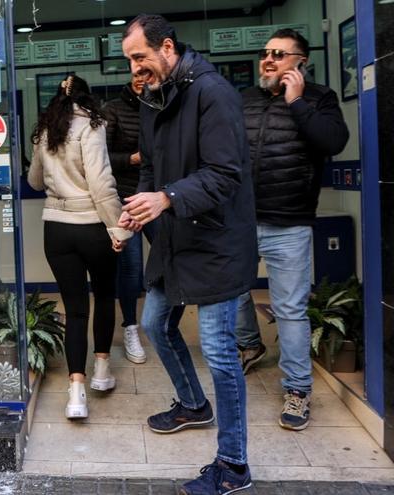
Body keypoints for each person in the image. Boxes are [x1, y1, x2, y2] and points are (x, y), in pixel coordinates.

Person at [118, 15, 257, 494]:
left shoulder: (213, 93)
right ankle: (194, 405)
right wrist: (135, 213)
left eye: (140, 57)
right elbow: (150, 170)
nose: (135, 68)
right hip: (175, 239)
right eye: (130, 60)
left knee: (219, 351)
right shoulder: (154, 99)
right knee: (156, 324)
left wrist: (166, 199)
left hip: (217, 243)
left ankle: (234, 464)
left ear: (168, 48)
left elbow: (226, 174)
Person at [236, 28, 349, 431]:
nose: (269, 59)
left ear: (300, 61)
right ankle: (249, 345)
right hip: (241, 220)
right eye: (266, 52)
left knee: (289, 310)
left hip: (290, 223)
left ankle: (298, 390)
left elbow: (333, 141)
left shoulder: (319, 99)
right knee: (231, 293)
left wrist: (297, 102)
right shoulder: (245, 99)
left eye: (280, 54)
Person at [28, 75, 131, 419]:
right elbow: (102, 183)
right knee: (103, 296)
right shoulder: (92, 125)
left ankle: (75, 394)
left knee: (74, 310)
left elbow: (34, 180)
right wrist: (117, 228)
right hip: (92, 227)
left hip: (56, 229)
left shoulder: (45, 130)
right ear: (87, 96)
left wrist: (56, 173)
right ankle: (101, 372)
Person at [102, 74, 150, 365]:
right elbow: (101, 156)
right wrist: (131, 159)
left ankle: (162, 323)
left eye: (146, 72)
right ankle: (131, 327)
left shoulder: (165, 105)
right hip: (126, 199)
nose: (141, 78)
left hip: (160, 197)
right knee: (130, 268)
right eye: (136, 73)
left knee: (172, 258)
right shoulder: (114, 109)